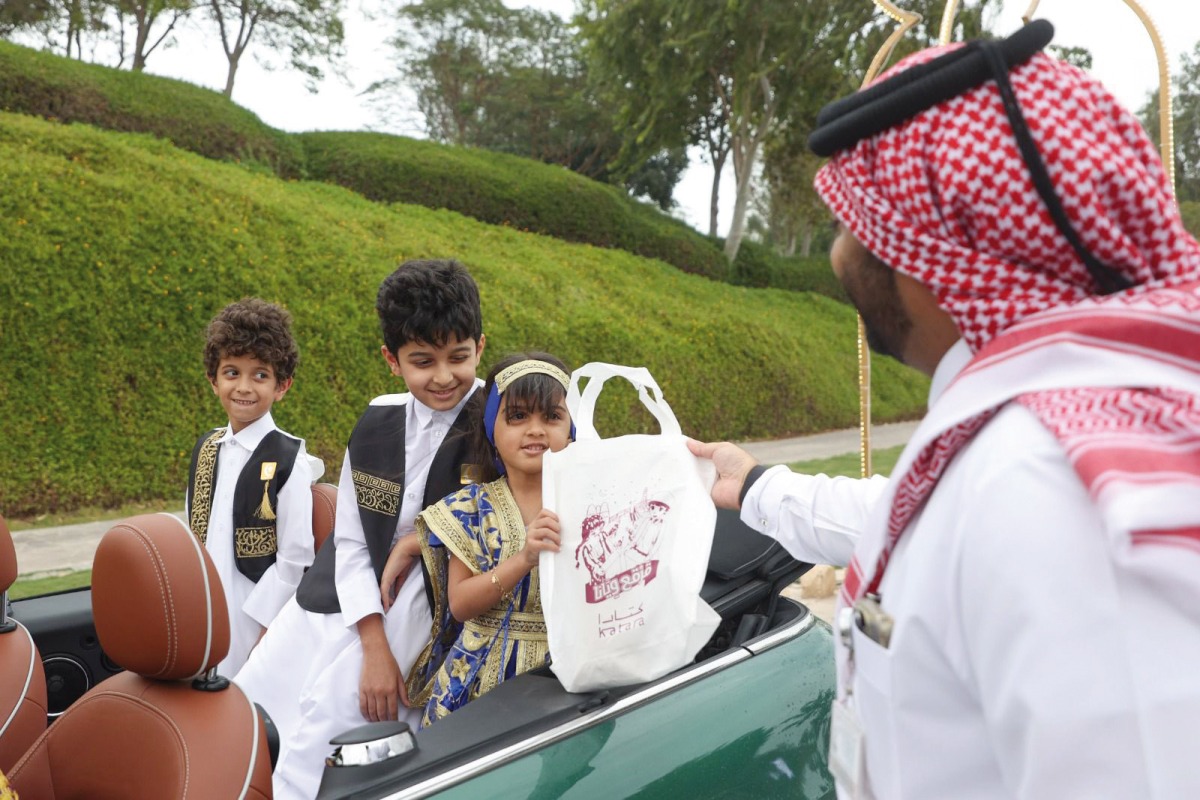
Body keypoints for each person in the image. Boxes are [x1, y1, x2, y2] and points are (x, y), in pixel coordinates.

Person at [689, 26, 1200, 799]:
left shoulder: (1053, 491)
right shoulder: (1049, 437)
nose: (839, 255)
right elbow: (930, 525)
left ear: (939, 260)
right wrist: (756, 485)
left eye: (858, 225)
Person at [234, 259, 486, 800]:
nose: (444, 376)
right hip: (341, 591)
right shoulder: (377, 422)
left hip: (426, 604)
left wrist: (425, 539)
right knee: (249, 710)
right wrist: (372, 641)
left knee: (327, 736)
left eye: (458, 357)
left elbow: (563, 471)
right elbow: (349, 537)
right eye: (423, 361)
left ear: (480, 348)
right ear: (392, 361)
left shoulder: (504, 416)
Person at [386, 353, 571, 727]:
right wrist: (524, 559)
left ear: (571, 429)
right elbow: (460, 604)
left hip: (566, 676)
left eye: (552, 416)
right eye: (518, 416)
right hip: (478, 682)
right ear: (491, 429)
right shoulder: (471, 508)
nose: (536, 430)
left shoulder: (589, 503)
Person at [186, 297, 317, 677]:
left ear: (282, 386)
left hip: (254, 618)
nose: (244, 387)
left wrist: (266, 629)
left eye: (260, 375)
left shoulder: (290, 459)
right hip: (203, 608)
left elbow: (294, 558)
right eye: (232, 372)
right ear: (213, 381)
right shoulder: (206, 449)